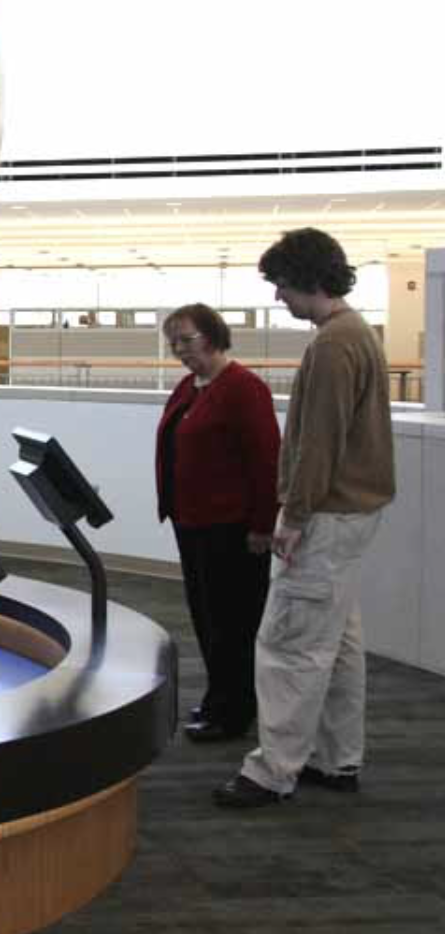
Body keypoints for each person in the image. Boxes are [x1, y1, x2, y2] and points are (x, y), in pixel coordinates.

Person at [214, 229, 395, 809]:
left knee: (290, 644)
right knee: (337, 642)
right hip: (352, 514)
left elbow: (319, 442)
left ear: (309, 279)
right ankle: (336, 759)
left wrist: (292, 515)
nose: (278, 297)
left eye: (282, 285)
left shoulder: (333, 345)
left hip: (327, 516)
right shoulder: (356, 333)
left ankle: (273, 772)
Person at [154, 303, 279, 744]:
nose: (179, 349)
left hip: (231, 527)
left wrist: (263, 525)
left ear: (213, 335)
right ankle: (219, 697)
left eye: (187, 339)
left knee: (233, 623)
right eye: (173, 342)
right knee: (207, 619)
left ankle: (234, 711)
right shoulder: (190, 386)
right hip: (192, 522)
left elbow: (266, 461)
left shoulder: (244, 388)